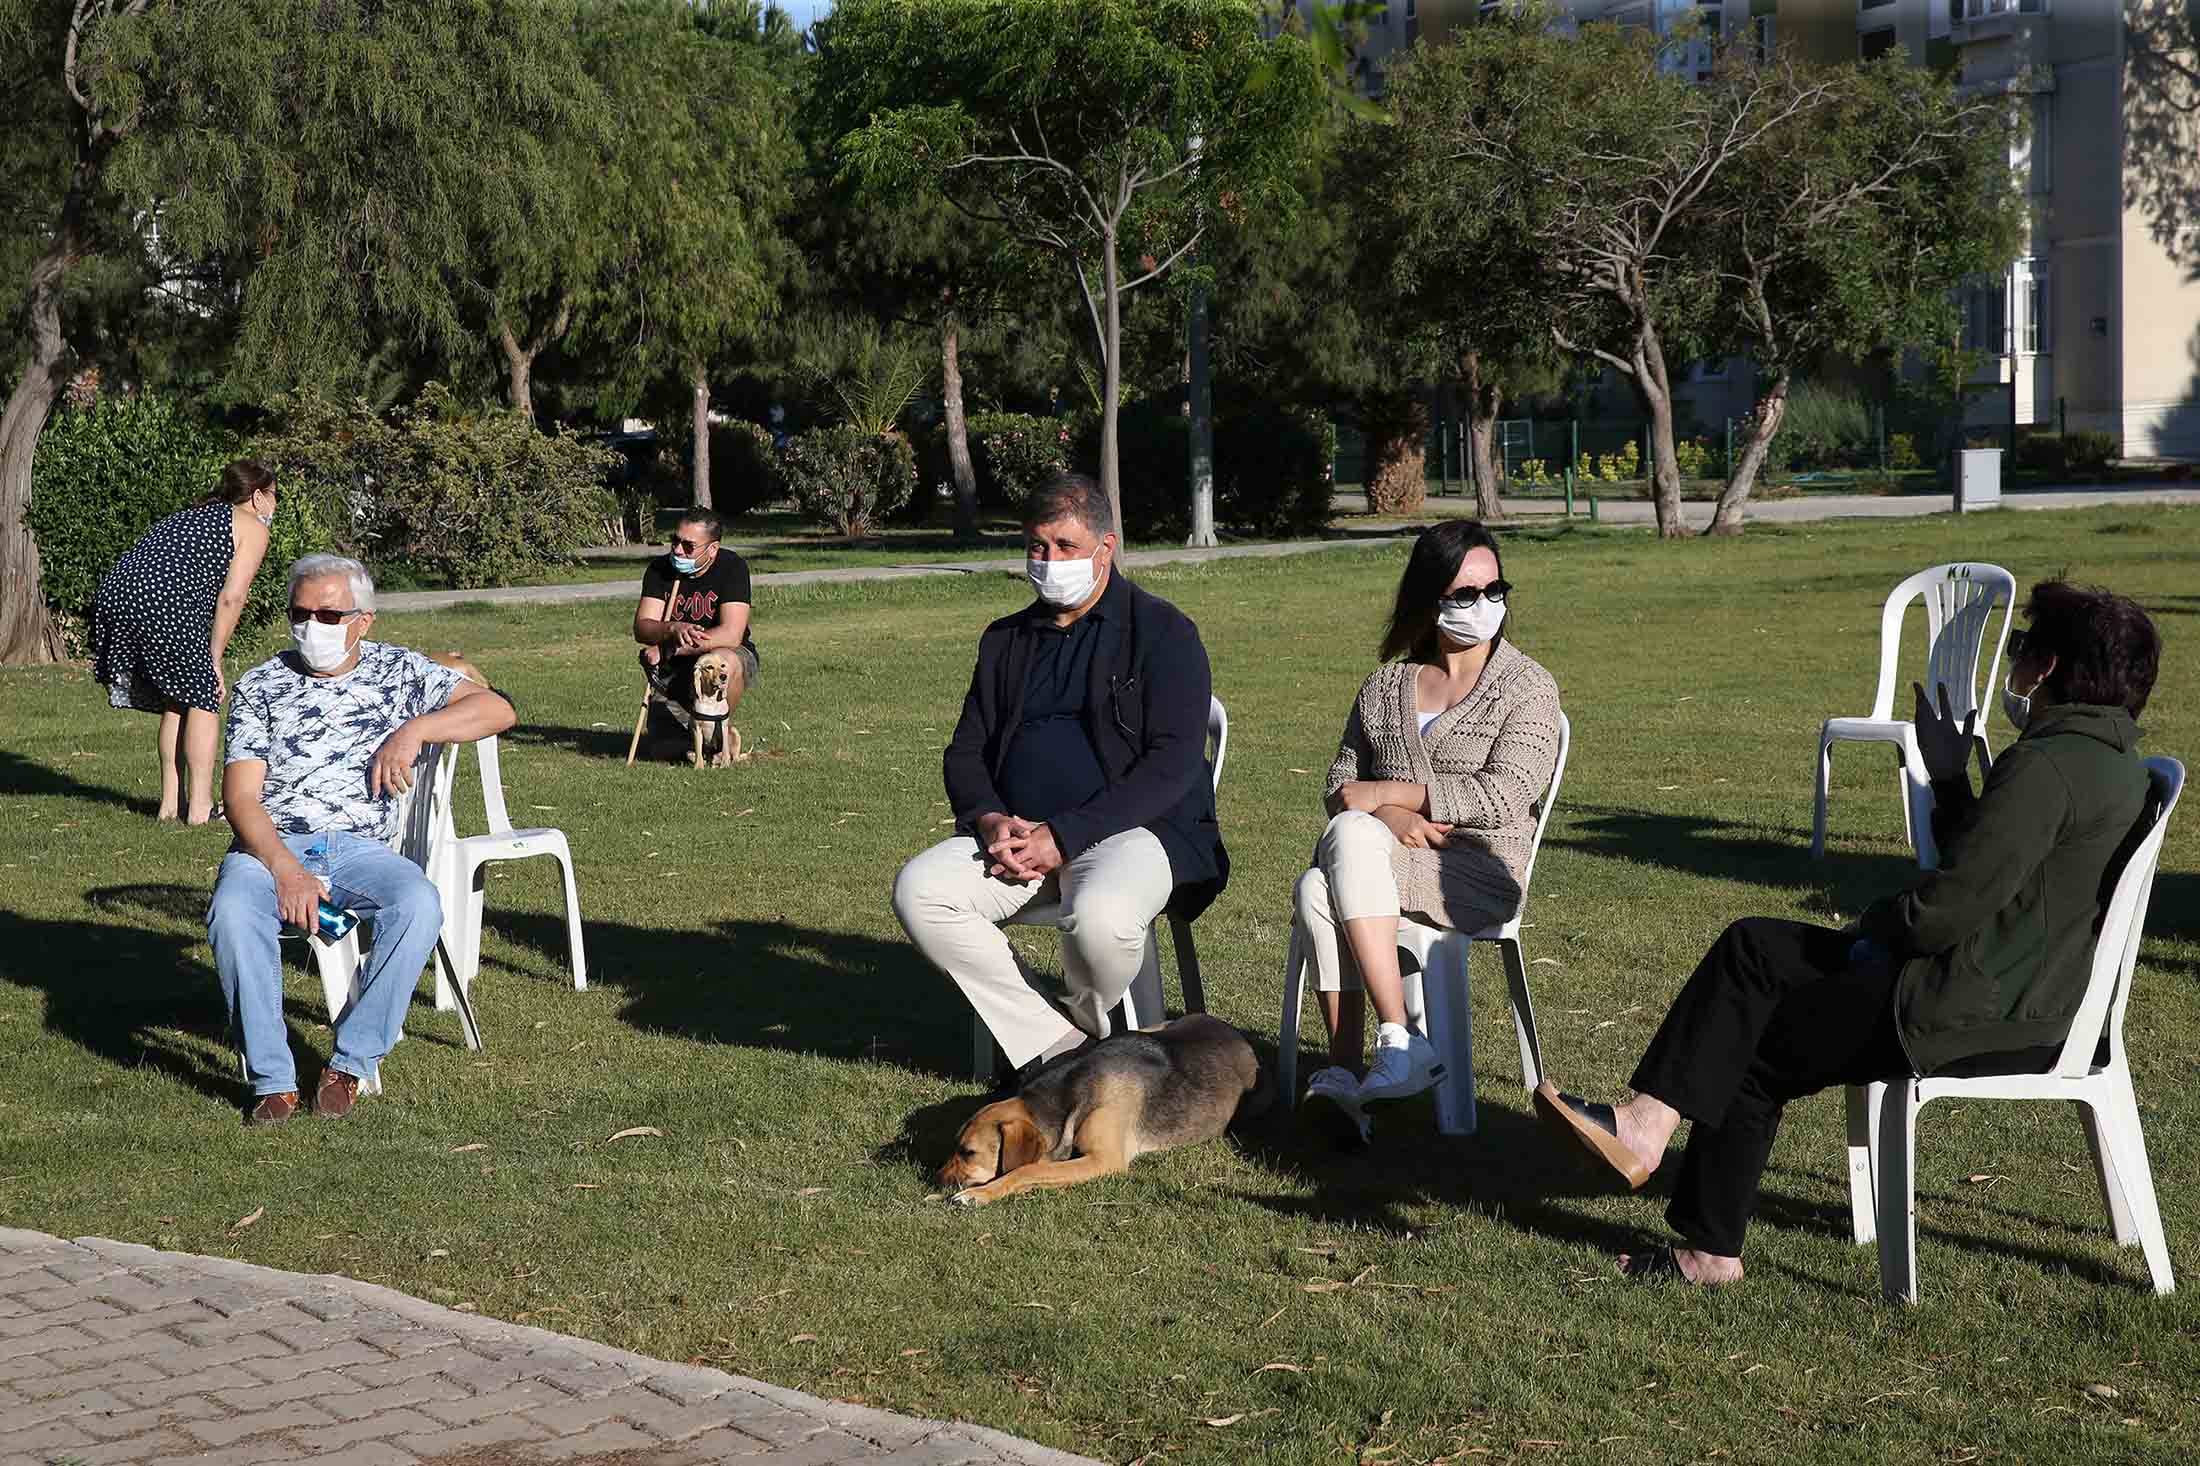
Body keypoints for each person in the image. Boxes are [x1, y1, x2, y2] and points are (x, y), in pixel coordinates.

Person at [1538, 580, 2161, 1284]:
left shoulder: (2046, 767)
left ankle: (1706, 1247)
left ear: (2047, 668)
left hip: (1969, 1007)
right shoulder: (2113, 764)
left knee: (1750, 1043)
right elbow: (1996, 871)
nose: (2013, 666)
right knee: (1754, 947)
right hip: (2029, 997)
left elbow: (1945, 911)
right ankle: (1646, 1123)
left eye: (2021, 647)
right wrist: (1953, 779)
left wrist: (1874, 927)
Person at [893, 472, 1227, 1082]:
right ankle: (1060, 1047)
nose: (1049, 561)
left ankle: (1085, 1027)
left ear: (1107, 546)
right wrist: (992, 821)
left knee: (1101, 919)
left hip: (1134, 830)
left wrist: (1064, 836)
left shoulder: (1162, 633)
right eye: (1037, 547)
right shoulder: (1006, 641)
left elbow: (1174, 764)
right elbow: (965, 752)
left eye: (1066, 547)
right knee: (921, 891)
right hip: (1018, 838)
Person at [208, 554, 516, 1126]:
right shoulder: (261, 685)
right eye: (299, 614)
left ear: (363, 621)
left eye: (328, 615)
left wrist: (414, 730)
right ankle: (272, 1080)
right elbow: (241, 800)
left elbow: (497, 709)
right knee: (231, 910)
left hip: (360, 848)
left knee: (418, 902)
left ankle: (350, 1063)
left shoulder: (398, 673)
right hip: (271, 845)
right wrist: (285, 869)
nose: (310, 627)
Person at [1294, 520, 1564, 1144]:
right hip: (1384, 857)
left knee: (1334, 861)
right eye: (1464, 594)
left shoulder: (1527, 686)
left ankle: (1364, 1057)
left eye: (1494, 589)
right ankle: (1379, 1058)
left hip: (1476, 868)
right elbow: (1341, 782)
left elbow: (1509, 793)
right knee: (1324, 875)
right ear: (1428, 600)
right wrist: (1388, 818)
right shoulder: (1387, 684)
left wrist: (1390, 796)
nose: (1484, 606)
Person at [92, 459, 280, 824]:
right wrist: (215, 657)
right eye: (275, 495)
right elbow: (232, 598)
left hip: (117, 593)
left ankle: (169, 805)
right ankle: (199, 810)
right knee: (204, 695)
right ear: (257, 496)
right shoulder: (252, 527)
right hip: (164, 599)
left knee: (178, 698)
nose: (275, 504)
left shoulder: (193, 514)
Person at [632, 508, 758, 755]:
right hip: (675, 670)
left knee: (722, 658)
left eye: (688, 546)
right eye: (675, 541)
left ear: (712, 549)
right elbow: (642, 627)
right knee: (664, 751)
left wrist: (669, 647)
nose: (678, 550)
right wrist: (670, 627)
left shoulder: (733, 568)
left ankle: (718, 734)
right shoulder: (660, 569)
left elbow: (731, 635)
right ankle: (697, 735)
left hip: (727, 660)